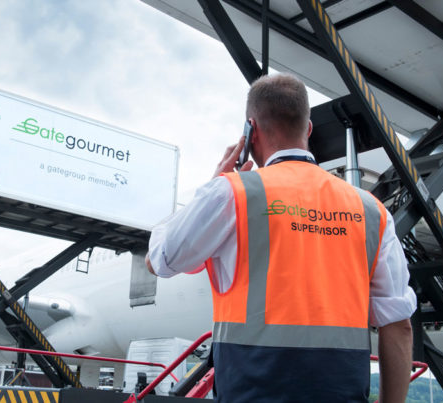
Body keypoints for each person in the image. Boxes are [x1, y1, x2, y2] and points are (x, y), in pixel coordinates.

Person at [145, 73, 416, 402]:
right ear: (309, 129)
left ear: (251, 129)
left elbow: (159, 260)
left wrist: (214, 183)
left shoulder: (231, 194)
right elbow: (399, 326)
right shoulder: (372, 211)